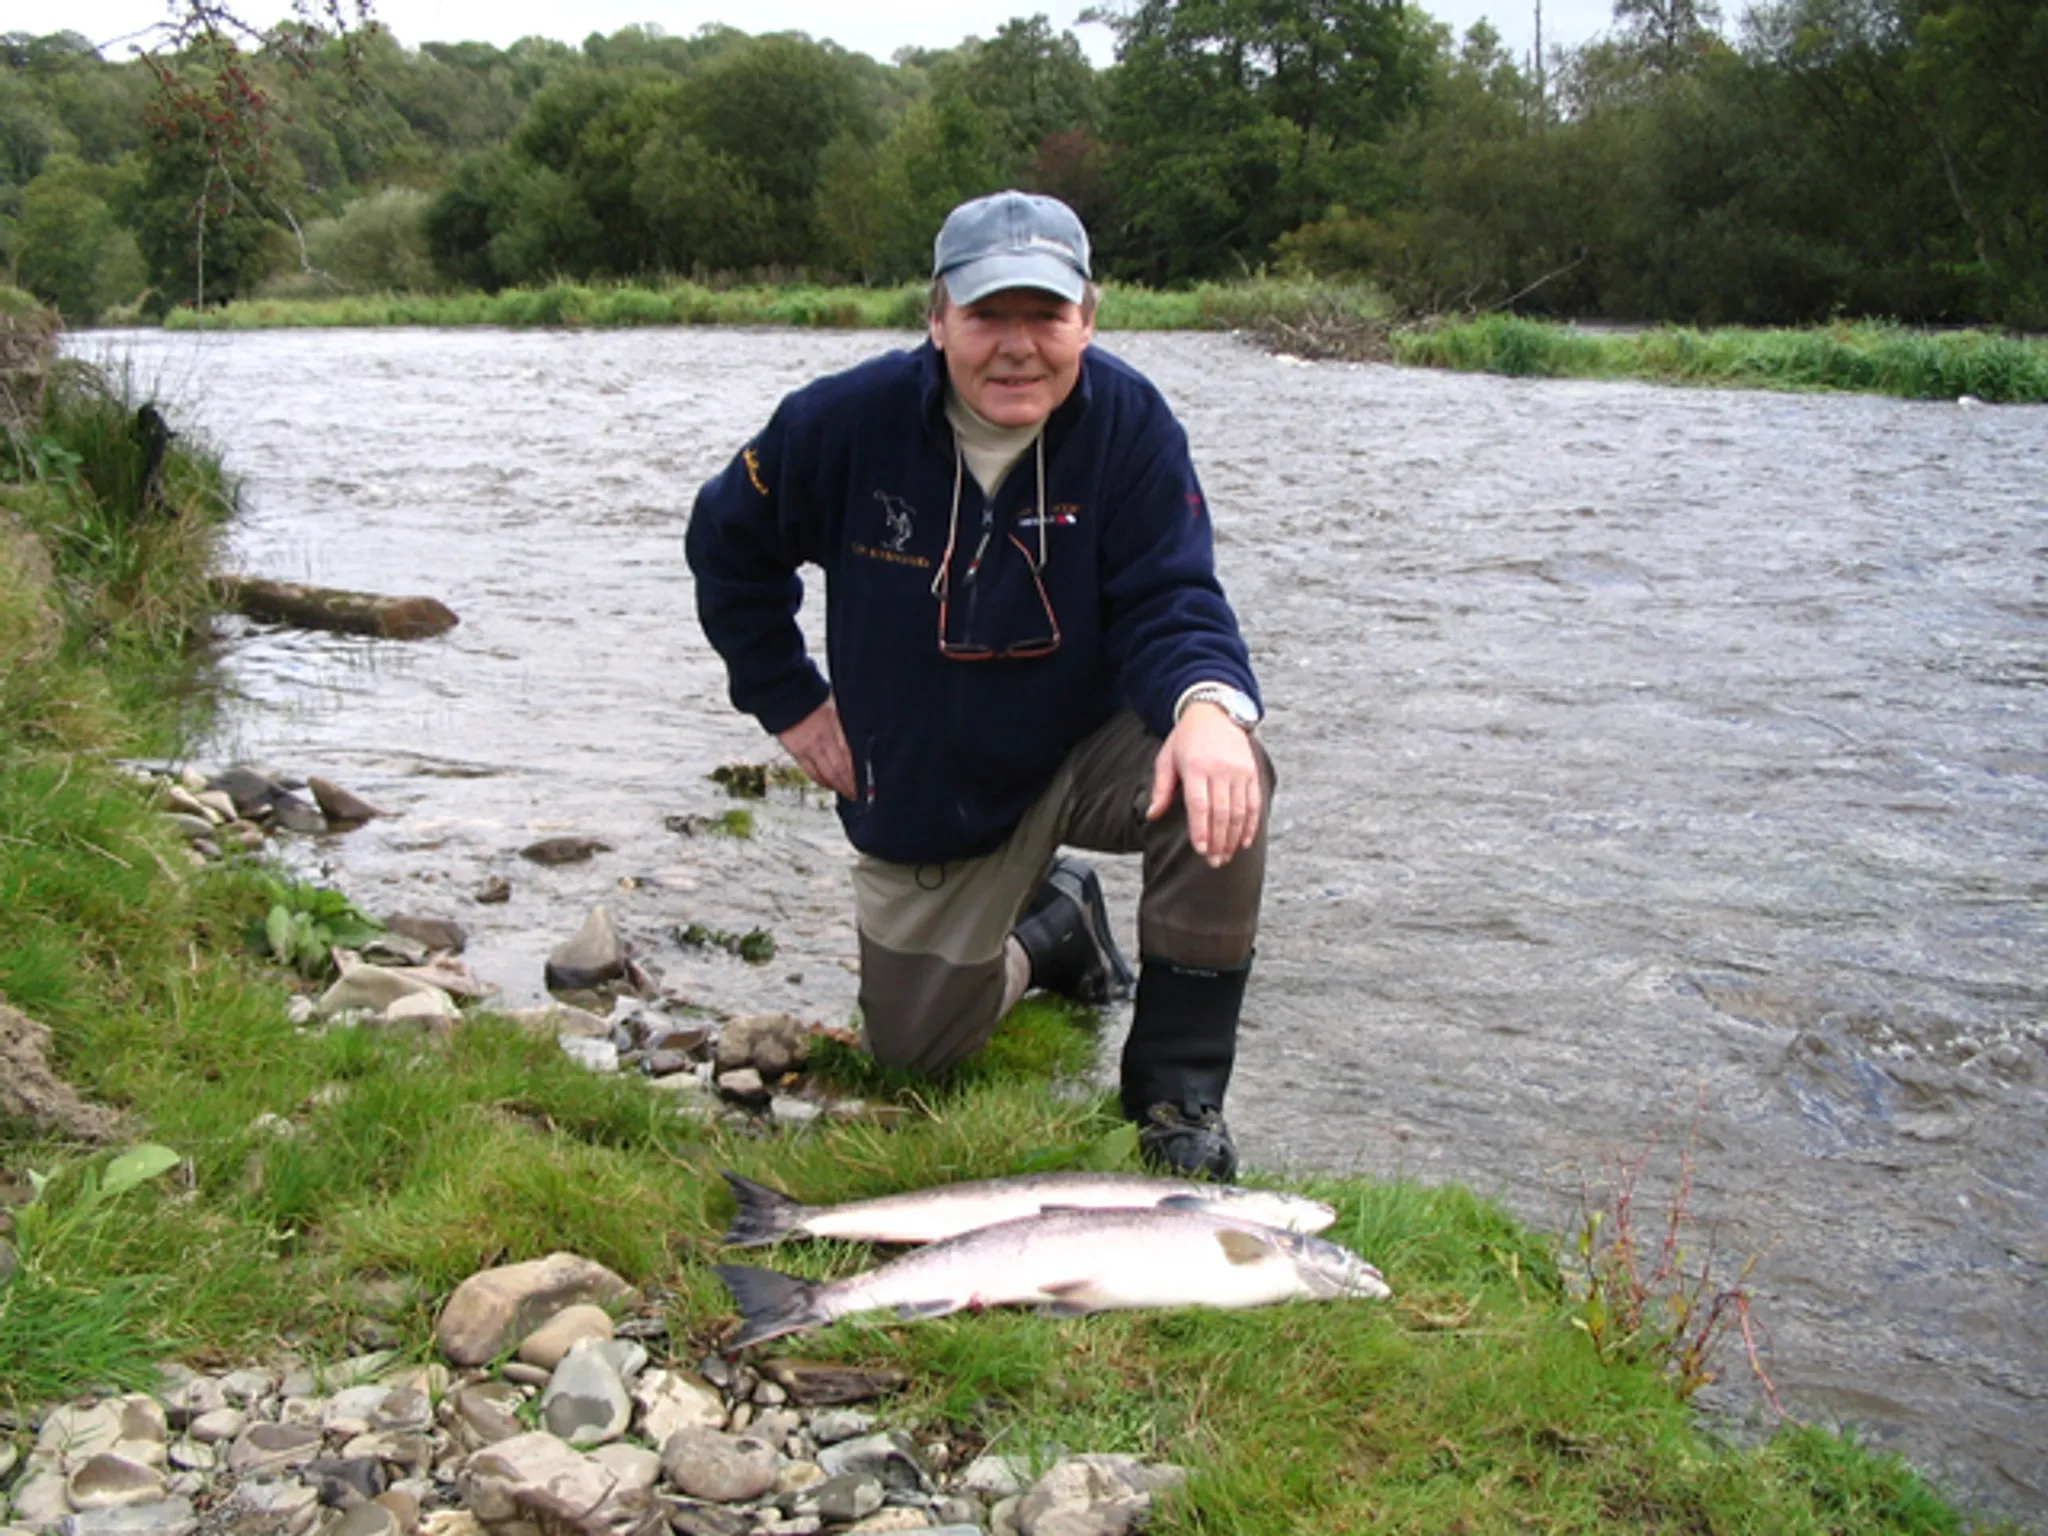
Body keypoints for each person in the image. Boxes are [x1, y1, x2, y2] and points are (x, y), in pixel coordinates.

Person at [685, 190, 1272, 1179]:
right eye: (985, 315)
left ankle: (1175, 1098)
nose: (1016, 346)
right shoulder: (841, 423)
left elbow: (1171, 597)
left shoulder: (1130, 426)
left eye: (1043, 315)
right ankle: (1053, 931)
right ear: (935, 318)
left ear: (1086, 317)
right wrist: (787, 698)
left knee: (1229, 769)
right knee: (913, 1059)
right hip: (925, 784)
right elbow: (724, 546)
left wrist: (1209, 707)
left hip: (1083, 751)